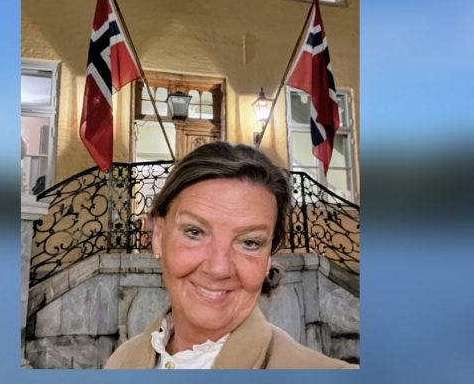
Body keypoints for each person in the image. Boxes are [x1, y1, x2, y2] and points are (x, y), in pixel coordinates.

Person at [105, 141, 356, 369]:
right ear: (158, 235)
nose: (219, 268)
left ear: (268, 258)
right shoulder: (120, 361)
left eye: (249, 242)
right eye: (194, 232)